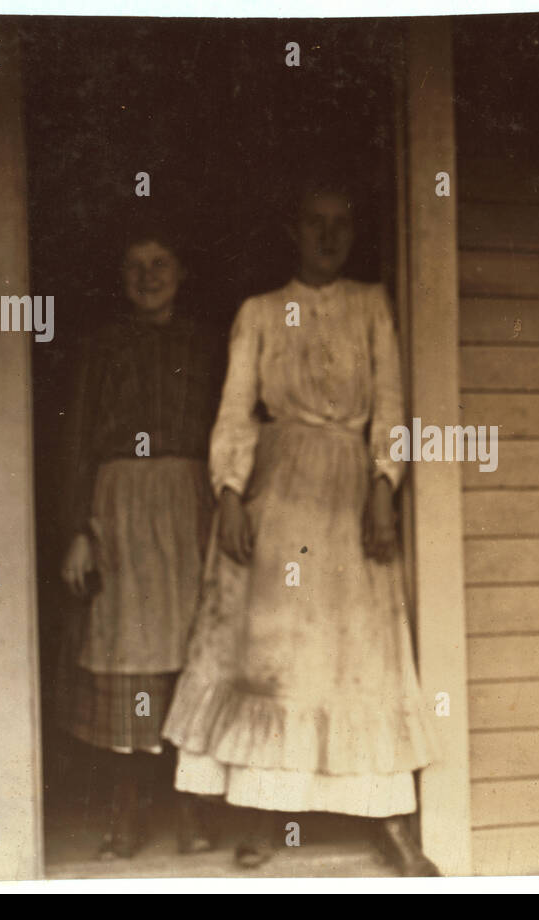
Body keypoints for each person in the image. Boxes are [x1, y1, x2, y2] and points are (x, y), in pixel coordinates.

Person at [161, 176, 439, 876]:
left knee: (360, 648)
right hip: (278, 489)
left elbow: (391, 403)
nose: (328, 237)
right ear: (293, 231)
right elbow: (234, 409)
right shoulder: (259, 311)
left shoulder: (373, 305)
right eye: (314, 224)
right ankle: (263, 808)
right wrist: (228, 491)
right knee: (274, 652)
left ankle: (389, 817)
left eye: (340, 224)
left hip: (350, 489)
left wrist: (385, 485)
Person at [58, 227, 221, 860]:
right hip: (118, 508)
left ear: (181, 270)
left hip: (187, 507)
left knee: (189, 645)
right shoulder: (101, 346)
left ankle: (189, 806)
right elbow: (74, 445)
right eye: (134, 265)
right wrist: (77, 528)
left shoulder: (205, 344)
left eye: (160, 263)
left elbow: (229, 430)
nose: (148, 276)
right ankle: (126, 809)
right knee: (128, 651)